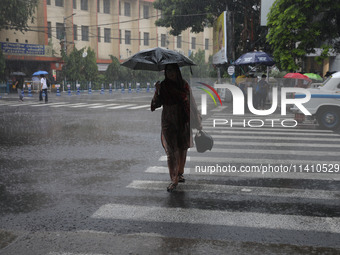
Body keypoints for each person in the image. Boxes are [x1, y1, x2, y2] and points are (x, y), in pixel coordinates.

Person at [151, 64, 202, 192]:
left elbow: (192, 103)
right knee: (171, 150)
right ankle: (173, 179)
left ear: (177, 72)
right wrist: (157, 91)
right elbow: (155, 105)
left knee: (182, 148)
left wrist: (197, 121)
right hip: (168, 121)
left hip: (182, 120)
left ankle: (179, 173)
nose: (170, 73)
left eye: (173, 70)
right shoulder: (163, 86)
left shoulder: (183, 85)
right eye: (168, 71)